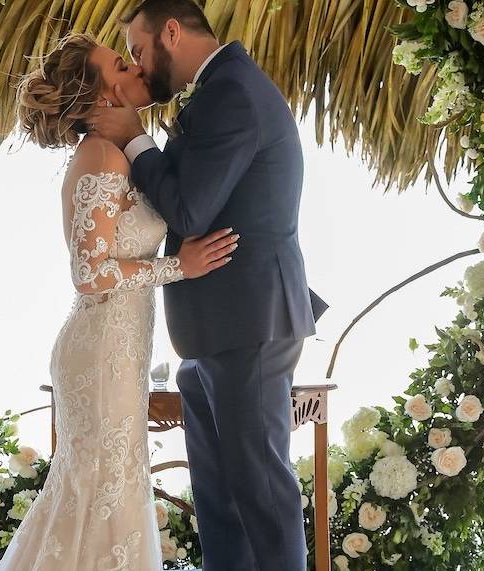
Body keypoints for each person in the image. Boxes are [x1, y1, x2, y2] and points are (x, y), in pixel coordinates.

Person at [89, 1, 328, 570]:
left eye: (141, 50)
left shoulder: (232, 93)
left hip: (250, 322)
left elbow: (191, 210)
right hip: (208, 332)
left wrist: (135, 140)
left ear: (172, 31)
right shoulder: (216, 89)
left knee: (261, 489)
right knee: (219, 501)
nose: (140, 66)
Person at [0, 33, 239, 571]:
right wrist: (183, 266)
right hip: (101, 349)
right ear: (104, 98)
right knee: (102, 492)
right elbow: (91, 273)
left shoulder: (117, 153)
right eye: (120, 65)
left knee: (105, 491)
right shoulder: (101, 155)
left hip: (117, 348)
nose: (134, 68)